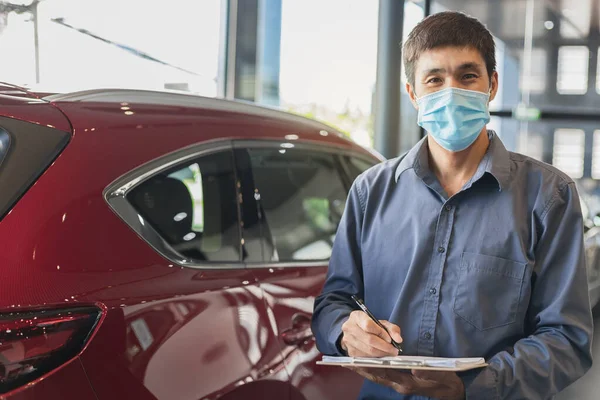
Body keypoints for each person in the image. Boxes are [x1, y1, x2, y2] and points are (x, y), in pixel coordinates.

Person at [311, 11, 593, 400]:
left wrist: (472, 387)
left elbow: (566, 339)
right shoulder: (368, 192)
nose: (451, 91)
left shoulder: (548, 196)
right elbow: (333, 302)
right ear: (413, 94)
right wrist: (345, 331)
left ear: (492, 85)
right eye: (434, 80)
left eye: (467, 76)